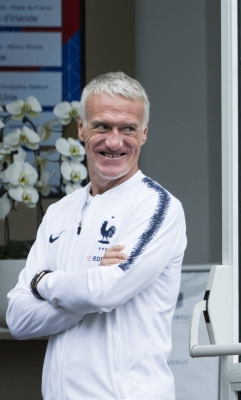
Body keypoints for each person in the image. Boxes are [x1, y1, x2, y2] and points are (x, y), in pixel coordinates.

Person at [6, 72, 187, 400]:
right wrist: (85, 292)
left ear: (144, 133)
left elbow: (106, 293)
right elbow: (18, 318)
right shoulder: (60, 212)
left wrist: (44, 282)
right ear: (81, 129)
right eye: (102, 126)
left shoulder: (157, 207)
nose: (114, 141)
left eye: (128, 128)